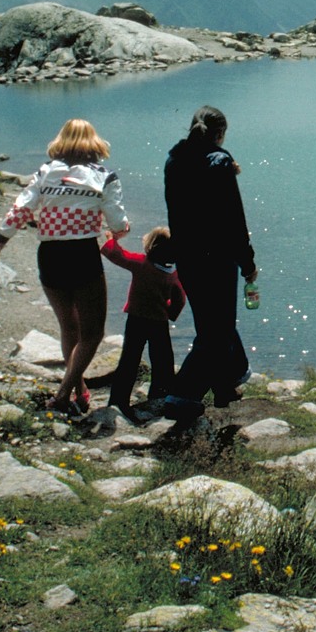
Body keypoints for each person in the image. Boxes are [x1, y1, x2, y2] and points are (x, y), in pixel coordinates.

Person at [0, 119, 130, 416]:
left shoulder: (45, 172)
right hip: (82, 254)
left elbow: (20, 210)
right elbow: (117, 223)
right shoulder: (104, 176)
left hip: (49, 255)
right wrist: (120, 230)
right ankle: (63, 394)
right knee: (93, 333)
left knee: (69, 327)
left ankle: (79, 389)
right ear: (94, 143)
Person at [158, 106, 258, 422]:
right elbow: (234, 220)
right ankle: (182, 394)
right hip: (217, 260)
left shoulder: (174, 161)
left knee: (211, 323)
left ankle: (226, 385)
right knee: (217, 330)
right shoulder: (220, 163)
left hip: (187, 257)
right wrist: (247, 262)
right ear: (220, 134)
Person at [98, 226, 187, 421]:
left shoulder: (141, 263)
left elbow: (117, 255)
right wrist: (170, 313)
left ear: (151, 246)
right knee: (162, 359)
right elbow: (180, 299)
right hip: (159, 322)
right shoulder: (173, 276)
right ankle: (160, 395)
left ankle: (119, 400)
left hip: (136, 319)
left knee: (129, 359)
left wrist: (111, 239)